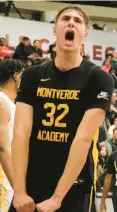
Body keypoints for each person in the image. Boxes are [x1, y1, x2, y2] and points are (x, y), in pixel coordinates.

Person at [10, 6, 114, 212]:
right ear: (54, 30)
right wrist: (19, 191)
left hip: (73, 186)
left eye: (78, 20)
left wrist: (57, 198)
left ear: (84, 34)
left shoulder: (99, 78)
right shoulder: (31, 75)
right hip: (31, 182)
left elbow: (83, 138)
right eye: (65, 18)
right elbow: (21, 133)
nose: (71, 22)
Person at [0, 59, 23, 212]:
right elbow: (2, 147)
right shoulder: (2, 103)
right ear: (16, 75)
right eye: (23, 74)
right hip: (3, 178)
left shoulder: (11, 104)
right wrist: (17, 187)